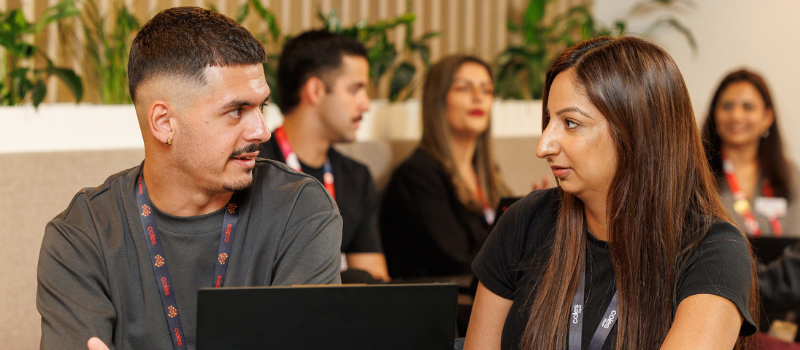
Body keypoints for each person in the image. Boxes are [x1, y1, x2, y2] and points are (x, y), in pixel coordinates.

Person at [37, 7, 342, 350]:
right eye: (236, 111)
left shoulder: (299, 209)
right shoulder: (82, 235)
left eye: (262, 107)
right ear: (164, 123)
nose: (261, 131)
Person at [465, 37, 758, 350]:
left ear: (635, 130)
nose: (544, 146)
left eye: (570, 123)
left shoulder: (714, 252)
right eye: (549, 120)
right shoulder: (526, 222)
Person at [258, 30, 389, 282]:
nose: (366, 104)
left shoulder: (356, 176)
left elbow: (374, 282)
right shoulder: (253, 167)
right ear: (316, 90)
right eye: (355, 89)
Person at [380, 55, 512, 279]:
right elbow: (456, 261)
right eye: (463, 88)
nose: (478, 98)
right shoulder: (416, 176)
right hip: (440, 308)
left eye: (487, 90)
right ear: (438, 100)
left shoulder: (488, 174)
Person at [701, 69, 800, 237]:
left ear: (767, 117)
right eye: (727, 106)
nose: (736, 116)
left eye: (748, 107)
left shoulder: (788, 175)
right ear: (714, 115)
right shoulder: (698, 173)